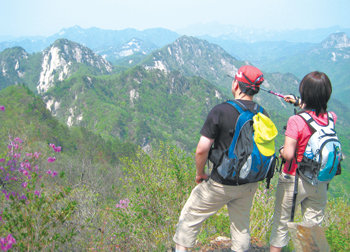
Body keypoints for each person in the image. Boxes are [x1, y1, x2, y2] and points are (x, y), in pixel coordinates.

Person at [173, 65, 269, 252]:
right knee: (241, 227)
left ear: (236, 84)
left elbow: (202, 149)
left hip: (221, 183)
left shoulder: (221, 111)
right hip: (249, 183)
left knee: (189, 218)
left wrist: (200, 173)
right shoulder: (262, 113)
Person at [269, 71, 336, 251]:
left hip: (294, 179)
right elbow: (315, 116)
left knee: (281, 226)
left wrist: (281, 151)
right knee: (311, 229)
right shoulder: (331, 119)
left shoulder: (296, 121)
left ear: (304, 93)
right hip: (320, 182)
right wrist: (298, 102)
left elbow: (289, 154)